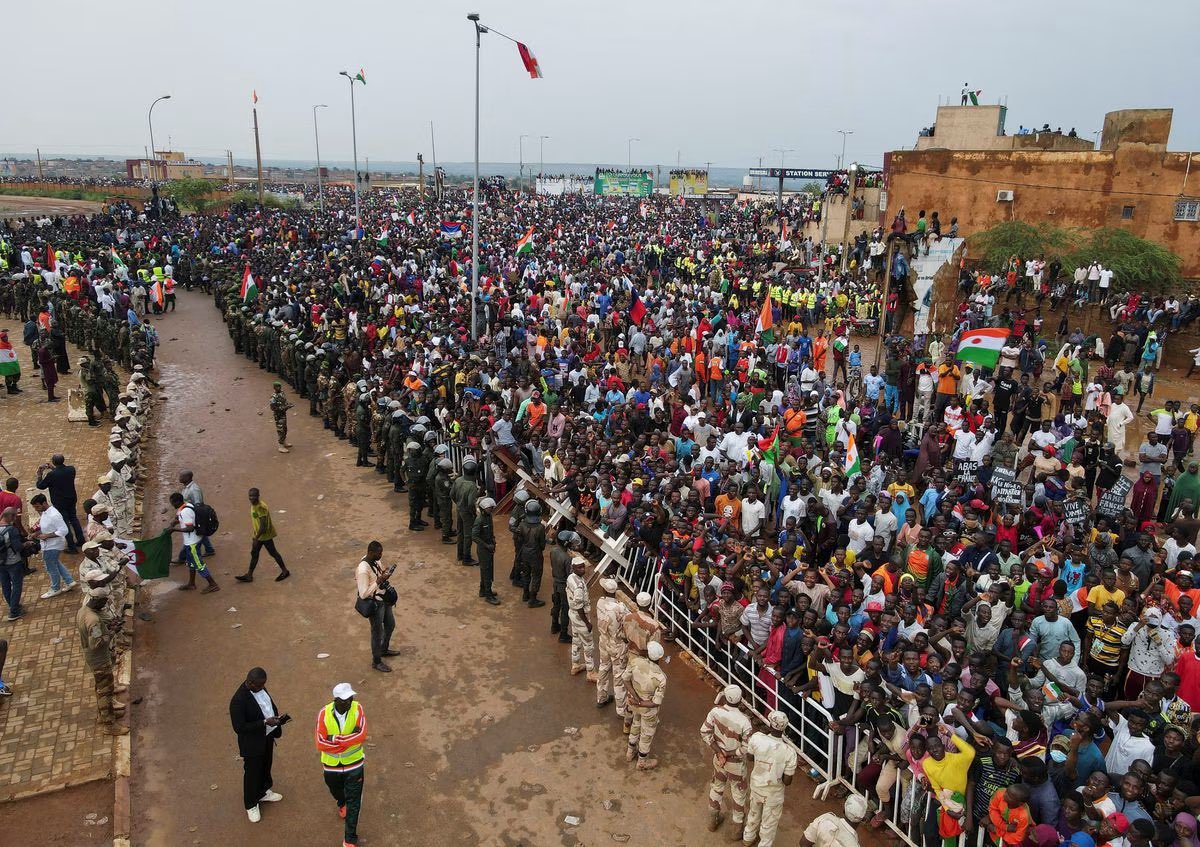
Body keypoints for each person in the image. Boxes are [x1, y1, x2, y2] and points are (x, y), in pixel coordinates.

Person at [229, 667, 286, 823]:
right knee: (252, 773)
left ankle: (263, 792)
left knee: (266, 765)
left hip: (267, 736)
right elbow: (239, 727)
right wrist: (264, 722)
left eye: (263, 685)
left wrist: (276, 719)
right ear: (250, 682)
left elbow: (268, 705)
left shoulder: (260, 686)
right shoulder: (238, 701)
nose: (263, 687)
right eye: (260, 685)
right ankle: (251, 804)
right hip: (252, 744)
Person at [315, 682, 367, 847]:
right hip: (331, 766)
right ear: (335, 699)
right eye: (344, 699)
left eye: (350, 697)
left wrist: (333, 738)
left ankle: (349, 839)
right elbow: (319, 743)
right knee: (335, 789)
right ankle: (341, 802)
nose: (349, 702)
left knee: (355, 802)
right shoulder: (324, 713)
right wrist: (347, 740)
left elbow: (361, 735)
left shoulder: (357, 708)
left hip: (354, 764)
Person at [701, 685, 753, 836]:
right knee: (738, 793)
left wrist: (719, 752)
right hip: (735, 764)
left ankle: (713, 820)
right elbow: (746, 748)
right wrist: (728, 753)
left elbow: (704, 732)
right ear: (740, 700)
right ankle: (737, 829)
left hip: (719, 759)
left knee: (717, 787)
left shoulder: (715, 712)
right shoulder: (745, 722)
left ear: (725, 697)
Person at [742, 710, 798, 847]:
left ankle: (748, 838)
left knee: (753, 813)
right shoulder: (790, 753)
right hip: (774, 794)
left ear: (770, 724)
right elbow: (787, 782)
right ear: (785, 728)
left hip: (756, 785)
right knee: (769, 822)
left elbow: (749, 758)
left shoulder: (757, 738)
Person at [77, 593, 127, 735]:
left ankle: (104, 714)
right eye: (104, 601)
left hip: (92, 657)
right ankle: (109, 724)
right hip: (99, 659)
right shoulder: (93, 620)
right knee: (105, 691)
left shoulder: (83, 611)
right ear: (98, 600)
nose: (105, 604)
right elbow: (96, 643)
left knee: (101, 687)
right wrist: (112, 632)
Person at [622, 640, 667, 771]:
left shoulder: (635, 662)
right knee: (646, 734)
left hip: (634, 704)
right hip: (648, 709)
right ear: (660, 658)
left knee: (635, 724)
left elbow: (625, 679)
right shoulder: (661, 677)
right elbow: (656, 702)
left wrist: (634, 697)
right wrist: (641, 702)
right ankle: (642, 762)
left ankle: (630, 752)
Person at [355, 541, 399, 672]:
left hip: (383, 599)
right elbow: (363, 594)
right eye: (378, 553)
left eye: (381, 552)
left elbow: (378, 574)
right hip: (374, 604)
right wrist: (379, 581)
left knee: (390, 625)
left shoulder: (375, 561)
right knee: (377, 633)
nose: (381, 555)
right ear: (370, 553)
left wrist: (385, 573)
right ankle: (376, 661)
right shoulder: (363, 570)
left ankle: (383, 649)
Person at [168, 491, 219, 594]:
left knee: (198, 563)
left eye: (172, 502)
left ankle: (213, 584)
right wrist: (177, 521)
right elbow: (189, 519)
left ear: (177, 502)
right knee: (191, 562)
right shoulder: (187, 505)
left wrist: (175, 530)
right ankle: (191, 583)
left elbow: (190, 528)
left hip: (192, 543)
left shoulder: (184, 512)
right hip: (196, 539)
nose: (172, 504)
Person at [236, 488, 290, 582]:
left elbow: (263, 526)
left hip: (265, 536)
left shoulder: (261, 508)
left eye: (254, 496)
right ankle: (249, 575)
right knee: (255, 553)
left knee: (272, 552)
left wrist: (256, 538)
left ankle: (285, 571)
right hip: (259, 535)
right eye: (250, 496)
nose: (251, 498)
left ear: (258, 496)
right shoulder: (254, 505)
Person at [29, 493, 77, 598]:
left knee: (50, 567)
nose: (36, 509)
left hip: (52, 545)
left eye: (37, 506)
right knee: (55, 563)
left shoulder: (54, 515)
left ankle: (55, 588)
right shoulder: (45, 513)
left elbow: (64, 530)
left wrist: (47, 536)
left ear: (44, 503)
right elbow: (46, 527)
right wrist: (36, 534)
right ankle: (69, 581)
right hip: (49, 544)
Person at [35, 454, 83, 552]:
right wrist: (53, 468)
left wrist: (39, 475)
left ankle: (72, 547)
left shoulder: (52, 475)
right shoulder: (71, 469)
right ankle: (81, 540)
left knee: (64, 522)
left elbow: (40, 486)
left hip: (60, 502)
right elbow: (60, 474)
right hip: (72, 498)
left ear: (53, 462)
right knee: (74, 518)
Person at [566, 551, 595, 678]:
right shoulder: (578, 586)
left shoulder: (571, 578)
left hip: (573, 615)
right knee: (588, 645)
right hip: (580, 617)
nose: (583, 569)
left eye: (583, 566)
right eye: (579, 567)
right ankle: (591, 671)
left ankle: (575, 664)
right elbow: (579, 607)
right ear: (573, 568)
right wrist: (587, 623)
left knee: (576, 641)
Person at [800, 795, 870, 847]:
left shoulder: (826, 818)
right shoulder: (854, 845)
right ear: (863, 819)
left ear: (844, 810)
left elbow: (803, 843)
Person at [177, 470, 215, 558]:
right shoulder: (186, 487)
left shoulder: (194, 489)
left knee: (191, 536)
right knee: (200, 532)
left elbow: (198, 505)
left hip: (193, 516)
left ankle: (182, 557)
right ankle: (209, 550)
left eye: (181, 476)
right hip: (189, 514)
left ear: (187, 478)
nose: (179, 478)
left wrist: (194, 518)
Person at [471, 496, 501, 604]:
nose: (491, 509)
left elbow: (491, 531)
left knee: (488, 569)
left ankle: (483, 590)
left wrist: (493, 541)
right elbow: (474, 536)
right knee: (486, 571)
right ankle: (488, 595)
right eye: (489, 508)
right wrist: (486, 545)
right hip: (483, 550)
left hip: (489, 547)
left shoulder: (488, 516)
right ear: (483, 508)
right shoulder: (479, 520)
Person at [0, 507, 25, 620]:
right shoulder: (11, 530)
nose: (15, 519)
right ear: (10, 516)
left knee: (5, 585)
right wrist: (27, 544)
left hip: (1, 562)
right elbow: (18, 547)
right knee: (16, 585)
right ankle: (14, 611)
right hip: (13, 561)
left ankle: (12, 605)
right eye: (15, 516)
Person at [270, 381, 294, 453]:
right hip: (278, 415)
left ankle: (284, 442)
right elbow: (274, 408)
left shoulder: (282, 393)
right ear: (274, 388)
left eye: (280, 386)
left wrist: (288, 405)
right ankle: (281, 446)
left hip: (283, 414)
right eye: (277, 387)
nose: (279, 388)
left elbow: (284, 401)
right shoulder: (273, 397)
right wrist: (285, 407)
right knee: (281, 430)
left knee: (285, 428)